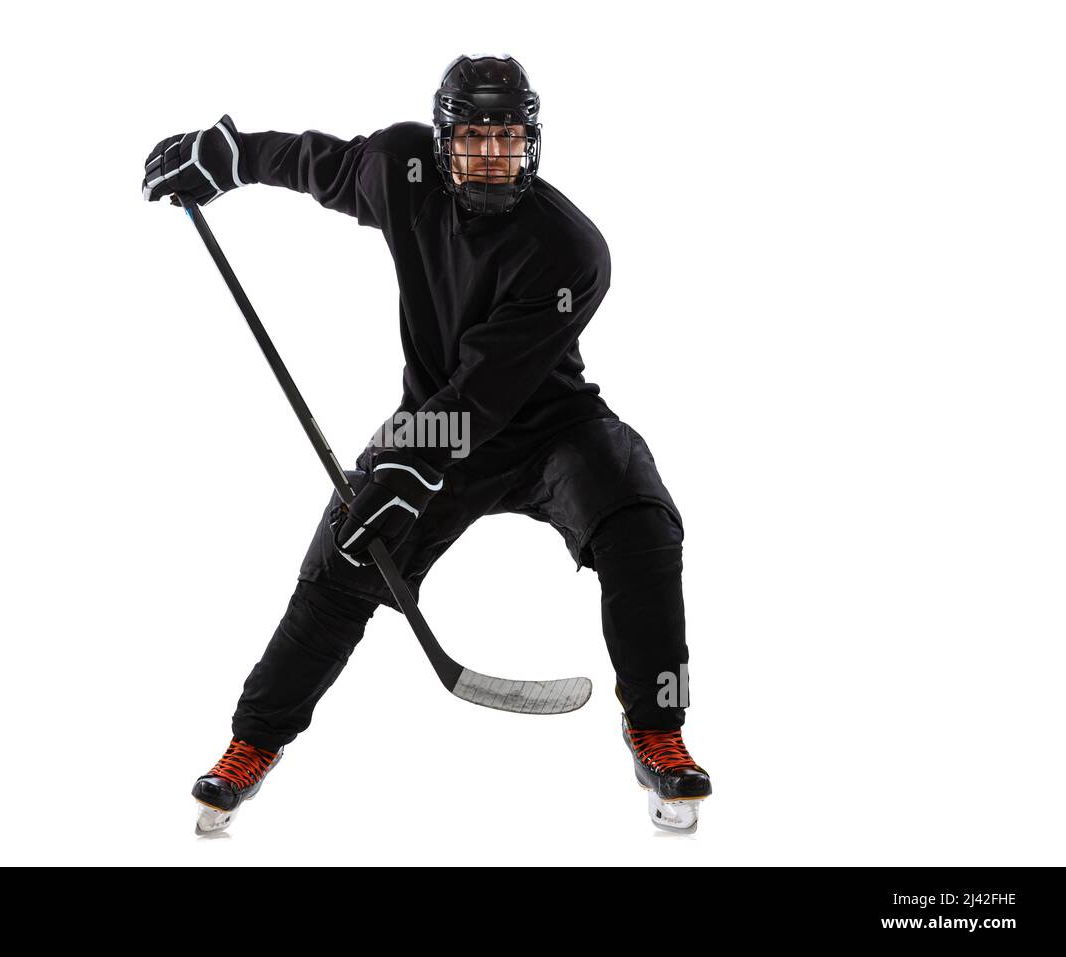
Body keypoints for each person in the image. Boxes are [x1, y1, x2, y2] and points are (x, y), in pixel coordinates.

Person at [142, 55, 712, 834]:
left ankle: (658, 727)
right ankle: (251, 742)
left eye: (506, 141)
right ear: (443, 147)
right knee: (345, 558)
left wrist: (410, 458)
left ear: (532, 144)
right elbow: (324, 164)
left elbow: (487, 387)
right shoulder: (400, 169)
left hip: (552, 427)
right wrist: (234, 156)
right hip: (437, 425)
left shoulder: (571, 250)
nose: (489, 157)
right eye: (473, 141)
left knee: (643, 524)